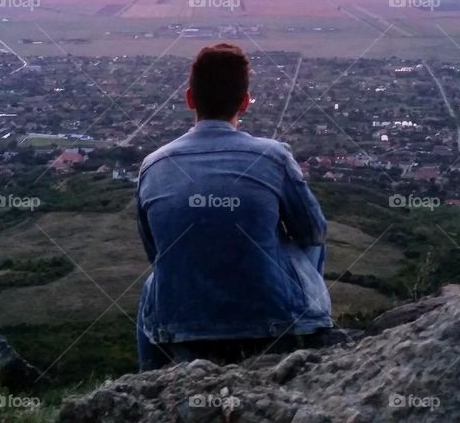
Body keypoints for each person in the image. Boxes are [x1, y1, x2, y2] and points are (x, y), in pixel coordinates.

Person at [135, 43, 335, 371]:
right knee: (308, 242)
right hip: (271, 324)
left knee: (155, 279)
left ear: (189, 98)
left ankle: (149, 380)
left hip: (183, 329)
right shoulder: (273, 157)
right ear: (244, 102)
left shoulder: (153, 166)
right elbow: (314, 232)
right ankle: (309, 327)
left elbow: (156, 253)